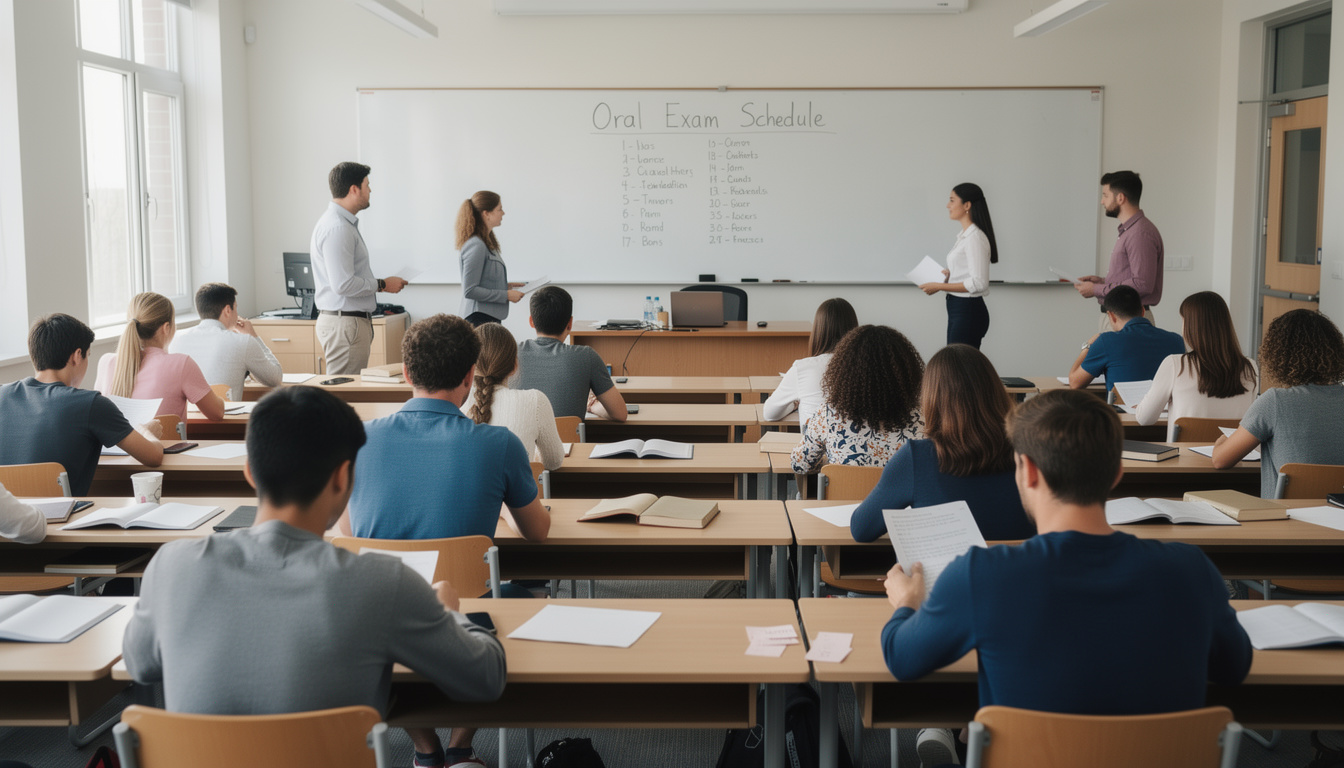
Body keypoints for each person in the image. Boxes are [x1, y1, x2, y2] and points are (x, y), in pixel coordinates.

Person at [122, 386, 506, 768]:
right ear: (343, 477)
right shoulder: (381, 583)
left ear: (250, 472)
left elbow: (140, 665)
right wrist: (450, 612)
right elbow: (486, 679)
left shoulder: (170, 566)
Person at [882, 389, 1252, 767]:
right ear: (1117, 473)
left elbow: (902, 658)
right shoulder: (1191, 570)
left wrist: (907, 602)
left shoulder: (982, 575)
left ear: (1026, 471)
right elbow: (1234, 667)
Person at [341, 313, 550, 544]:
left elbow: (351, 532)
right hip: (463, 581)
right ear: (470, 376)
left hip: (381, 580)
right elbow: (538, 532)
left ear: (407, 374)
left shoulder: (354, 440)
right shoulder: (502, 444)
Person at [851, 345, 1034, 544]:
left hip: (942, 575)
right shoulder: (1031, 450)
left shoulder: (916, 458)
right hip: (1019, 573)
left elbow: (862, 529)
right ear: (996, 391)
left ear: (932, 398)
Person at [0, 314, 163, 495]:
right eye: (88, 356)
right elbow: (153, 457)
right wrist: (147, 432)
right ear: (77, 356)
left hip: (7, 518)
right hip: (62, 518)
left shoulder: (2, 394)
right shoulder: (91, 404)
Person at [1212, 309, 1344, 497]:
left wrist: (1222, 440)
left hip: (1287, 520)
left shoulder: (1274, 401)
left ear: (1278, 355)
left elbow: (1220, 460)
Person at [311, 161, 408, 374]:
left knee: (346, 394)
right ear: (354, 189)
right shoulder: (338, 228)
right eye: (367, 185)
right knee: (344, 396)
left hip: (347, 322)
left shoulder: (340, 224)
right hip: (345, 323)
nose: (370, 190)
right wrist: (383, 284)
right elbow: (343, 284)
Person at [791, 325, 924, 474]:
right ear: (907, 372)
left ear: (843, 372)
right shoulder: (923, 418)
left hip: (844, 497)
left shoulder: (829, 415)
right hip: (903, 498)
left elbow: (800, 464)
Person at [1135, 291, 1257, 441]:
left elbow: (1144, 419)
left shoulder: (1175, 364)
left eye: (1183, 321)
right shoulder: (1250, 367)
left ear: (1191, 326)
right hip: (1234, 459)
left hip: (1184, 460)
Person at [95, 292, 227, 423]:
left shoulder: (106, 362)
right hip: (163, 444)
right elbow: (217, 413)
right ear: (166, 328)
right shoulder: (181, 364)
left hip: (113, 445)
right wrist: (220, 399)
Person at [514, 286, 628, 422]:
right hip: (566, 443)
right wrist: (592, 406)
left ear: (531, 321)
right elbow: (620, 414)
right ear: (570, 323)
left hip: (520, 442)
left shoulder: (510, 353)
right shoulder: (586, 356)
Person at [467, 322, 566, 471]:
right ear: (514, 366)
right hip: (521, 494)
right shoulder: (536, 401)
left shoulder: (456, 406)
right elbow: (554, 462)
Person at [1073, 170, 1163, 328]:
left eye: (1105, 195)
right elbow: (1133, 278)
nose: (1102, 201)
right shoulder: (1131, 231)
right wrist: (1103, 281)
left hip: (1129, 322)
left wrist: (1096, 289)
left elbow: (1142, 284)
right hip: (1120, 318)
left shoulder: (1140, 233)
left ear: (1120, 198)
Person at [170, 282, 283, 400]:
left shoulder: (175, 338)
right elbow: (275, 378)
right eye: (236, 307)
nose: (237, 313)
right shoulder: (243, 342)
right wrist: (253, 336)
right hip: (224, 416)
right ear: (228, 310)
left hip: (187, 417)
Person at [918, 183, 998, 349]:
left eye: (952, 200)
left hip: (968, 310)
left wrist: (939, 286)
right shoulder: (964, 236)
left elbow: (979, 283)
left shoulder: (974, 237)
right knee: (956, 366)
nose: (948, 205)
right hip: (958, 308)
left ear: (967, 205)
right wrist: (949, 276)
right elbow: (968, 274)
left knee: (959, 368)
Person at [762, 298, 858, 428]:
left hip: (816, 447)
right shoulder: (868, 367)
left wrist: (794, 404)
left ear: (818, 330)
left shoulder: (803, 368)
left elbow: (769, 414)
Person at [1069, 285, 1183, 393]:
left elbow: (1075, 383)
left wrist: (1088, 345)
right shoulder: (1176, 340)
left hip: (1122, 412)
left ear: (1111, 316)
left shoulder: (1106, 341)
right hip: (1167, 412)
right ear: (1143, 311)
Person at [457, 190, 524, 326]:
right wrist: (506, 295)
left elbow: (483, 282)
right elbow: (470, 290)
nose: (503, 213)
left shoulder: (486, 243)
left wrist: (505, 286)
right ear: (486, 214)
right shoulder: (476, 245)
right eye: (499, 209)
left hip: (486, 317)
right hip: (478, 319)